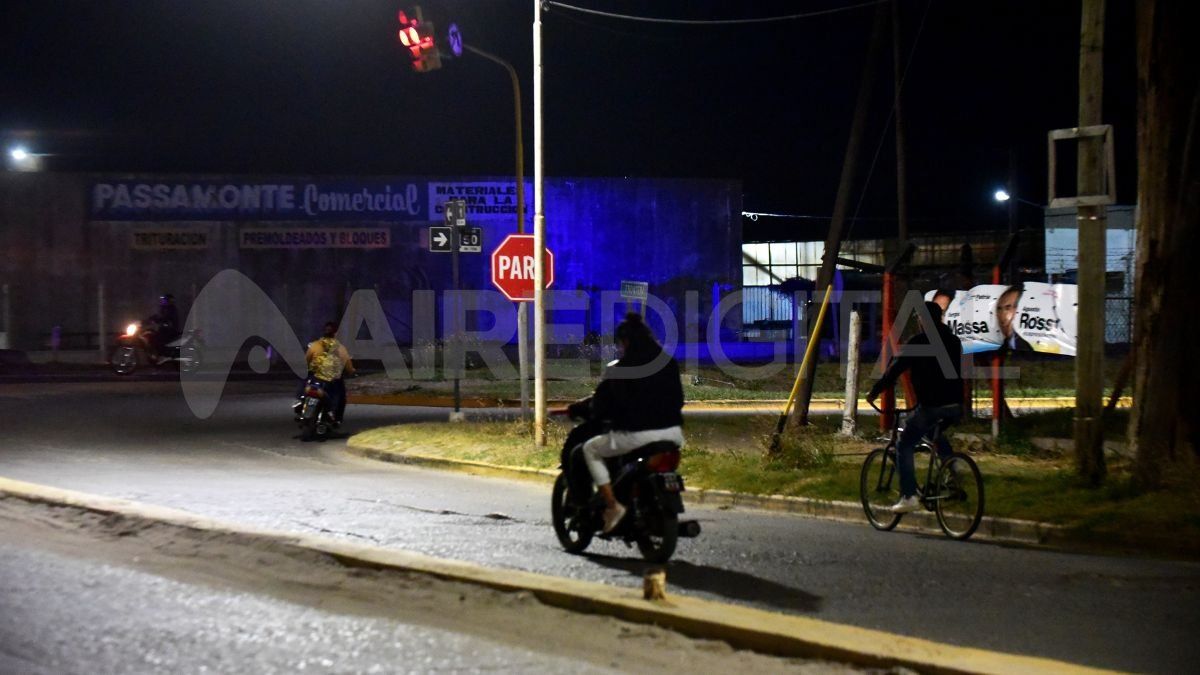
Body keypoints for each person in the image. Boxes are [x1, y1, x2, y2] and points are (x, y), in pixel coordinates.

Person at [571, 313, 685, 534]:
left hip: (635, 435)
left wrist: (587, 412)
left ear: (626, 342)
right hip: (673, 435)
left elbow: (601, 405)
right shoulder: (669, 363)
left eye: (621, 343)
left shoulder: (620, 369)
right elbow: (679, 400)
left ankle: (612, 506)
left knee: (589, 449)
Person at [866, 301, 964, 513]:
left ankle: (909, 495)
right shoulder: (954, 341)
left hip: (932, 405)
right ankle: (952, 466)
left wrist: (874, 392)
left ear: (923, 320)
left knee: (904, 444)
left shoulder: (918, 342)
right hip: (956, 405)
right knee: (934, 433)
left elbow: (894, 370)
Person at [303, 321, 355, 425]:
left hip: (314, 376)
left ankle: (299, 401)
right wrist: (352, 371)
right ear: (335, 334)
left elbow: (306, 361)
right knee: (341, 396)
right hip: (332, 379)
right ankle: (334, 417)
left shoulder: (314, 345)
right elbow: (349, 368)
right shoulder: (340, 348)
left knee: (304, 382)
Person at [995, 285, 1033, 353]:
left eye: (1008, 308)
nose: (1002, 315)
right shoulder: (999, 344)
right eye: (999, 309)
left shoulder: (1026, 345)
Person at [147, 294, 181, 364]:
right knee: (151, 334)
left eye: (165, 300)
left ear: (169, 301)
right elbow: (159, 316)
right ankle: (156, 355)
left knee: (157, 339)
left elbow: (165, 318)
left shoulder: (172, 309)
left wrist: (157, 320)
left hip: (171, 330)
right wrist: (148, 319)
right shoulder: (164, 309)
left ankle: (162, 356)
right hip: (165, 329)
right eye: (162, 300)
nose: (163, 302)